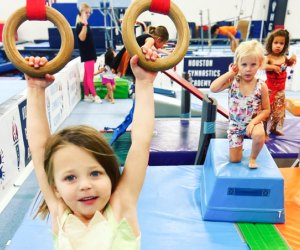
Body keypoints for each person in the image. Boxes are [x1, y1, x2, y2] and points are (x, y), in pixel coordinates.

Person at [25, 52, 157, 249]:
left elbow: (140, 143)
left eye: (95, 173)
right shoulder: (60, 214)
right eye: (70, 178)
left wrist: (144, 84)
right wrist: (35, 89)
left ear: (111, 176)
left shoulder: (121, 209)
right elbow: (39, 149)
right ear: (55, 189)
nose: (85, 185)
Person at [210, 40, 270, 169]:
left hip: (253, 123)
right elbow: (213, 88)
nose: (248, 69)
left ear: (260, 64)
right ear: (237, 64)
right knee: (235, 160)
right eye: (244, 64)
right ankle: (238, 149)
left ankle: (253, 157)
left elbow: (266, 110)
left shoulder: (261, 86)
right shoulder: (233, 81)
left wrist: (253, 122)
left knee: (260, 135)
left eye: (253, 64)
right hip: (235, 125)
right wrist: (230, 73)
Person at [264, 29, 297, 136]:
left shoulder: (283, 57)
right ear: (271, 43)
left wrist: (291, 60)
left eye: (281, 43)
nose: (278, 46)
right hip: (269, 90)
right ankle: (263, 131)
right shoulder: (268, 57)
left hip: (280, 91)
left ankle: (273, 128)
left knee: (278, 113)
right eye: (276, 43)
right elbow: (262, 66)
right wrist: (273, 67)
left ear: (285, 45)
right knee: (266, 112)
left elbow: (288, 64)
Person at [76, 2, 102, 103]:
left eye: (89, 13)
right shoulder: (80, 25)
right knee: (90, 77)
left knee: (87, 76)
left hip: (90, 53)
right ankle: (95, 96)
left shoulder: (84, 24)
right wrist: (85, 24)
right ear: (81, 13)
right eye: (86, 13)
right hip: (87, 54)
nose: (88, 14)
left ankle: (87, 95)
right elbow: (82, 38)